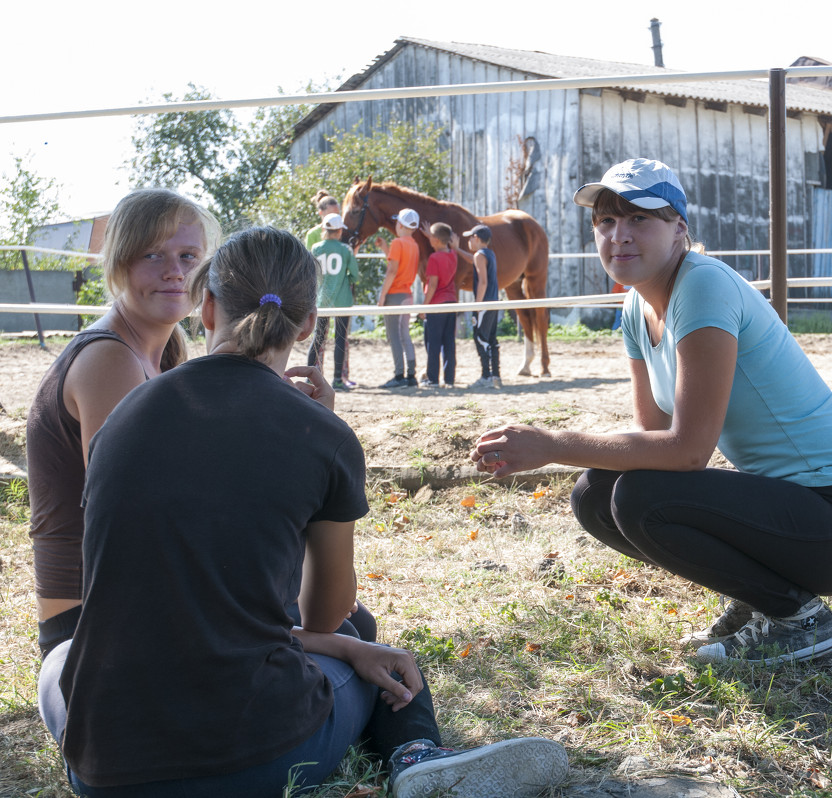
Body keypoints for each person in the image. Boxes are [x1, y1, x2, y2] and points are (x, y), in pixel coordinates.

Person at [36, 226, 570, 798]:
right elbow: (325, 616)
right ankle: (417, 755)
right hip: (255, 759)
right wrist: (328, 434)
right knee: (365, 638)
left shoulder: (125, 407)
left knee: (60, 659)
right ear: (309, 322)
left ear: (207, 305)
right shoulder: (321, 433)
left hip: (103, 768)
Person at [470, 158, 832, 666]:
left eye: (639, 218)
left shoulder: (703, 286)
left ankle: (797, 617)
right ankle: (763, 598)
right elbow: (652, 437)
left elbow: (687, 451)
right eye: (606, 221)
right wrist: (561, 450)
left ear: (678, 230)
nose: (618, 235)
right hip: (787, 512)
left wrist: (552, 444)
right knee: (596, 493)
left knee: (642, 496)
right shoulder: (634, 306)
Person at [25, 188, 221, 660]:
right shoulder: (110, 359)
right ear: (118, 265)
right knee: (338, 629)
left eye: (188, 255)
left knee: (341, 619)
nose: (175, 270)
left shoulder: (165, 351)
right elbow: (133, 519)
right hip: (93, 622)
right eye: (152, 254)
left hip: (134, 593)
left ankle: (414, 738)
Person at [309, 213, 359, 391]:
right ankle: (338, 379)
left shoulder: (315, 248)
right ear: (339, 231)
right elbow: (355, 275)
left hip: (322, 300)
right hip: (342, 301)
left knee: (318, 338)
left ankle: (309, 377)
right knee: (340, 339)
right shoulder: (345, 249)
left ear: (324, 229)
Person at [375, 208, 421, 388]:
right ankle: (411, 375)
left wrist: (382, 295)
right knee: (405, 335)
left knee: (393, 336)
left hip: (394, 295)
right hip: (407, 294)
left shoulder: (398, 242)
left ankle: (398, 375)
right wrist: (385, 248)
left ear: (400, 224)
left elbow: (392, 270)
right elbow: (399, 264)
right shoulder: (414, 245)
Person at [461, 223, 501, 389]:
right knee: (491, 339)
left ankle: (486, 376)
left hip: (484, 303)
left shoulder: (479, 255)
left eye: (470, 237)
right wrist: (457, 250)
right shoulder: (489, 254)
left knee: (480, 338)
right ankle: (496, 376)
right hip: (493, 302)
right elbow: (474, 261)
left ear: (476, 238)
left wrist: (477, 304)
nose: (469, 241)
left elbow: (482, 282)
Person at [421, 222, 459, 387]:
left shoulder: (434, 258)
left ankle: (433, 379)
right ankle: (449, 378)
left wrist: (424, 306)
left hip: (437, 304)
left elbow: (433, 284)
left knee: (433, 343)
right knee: (449, 342)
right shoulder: (453, 255)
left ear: (435, 240)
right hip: (451, 302)